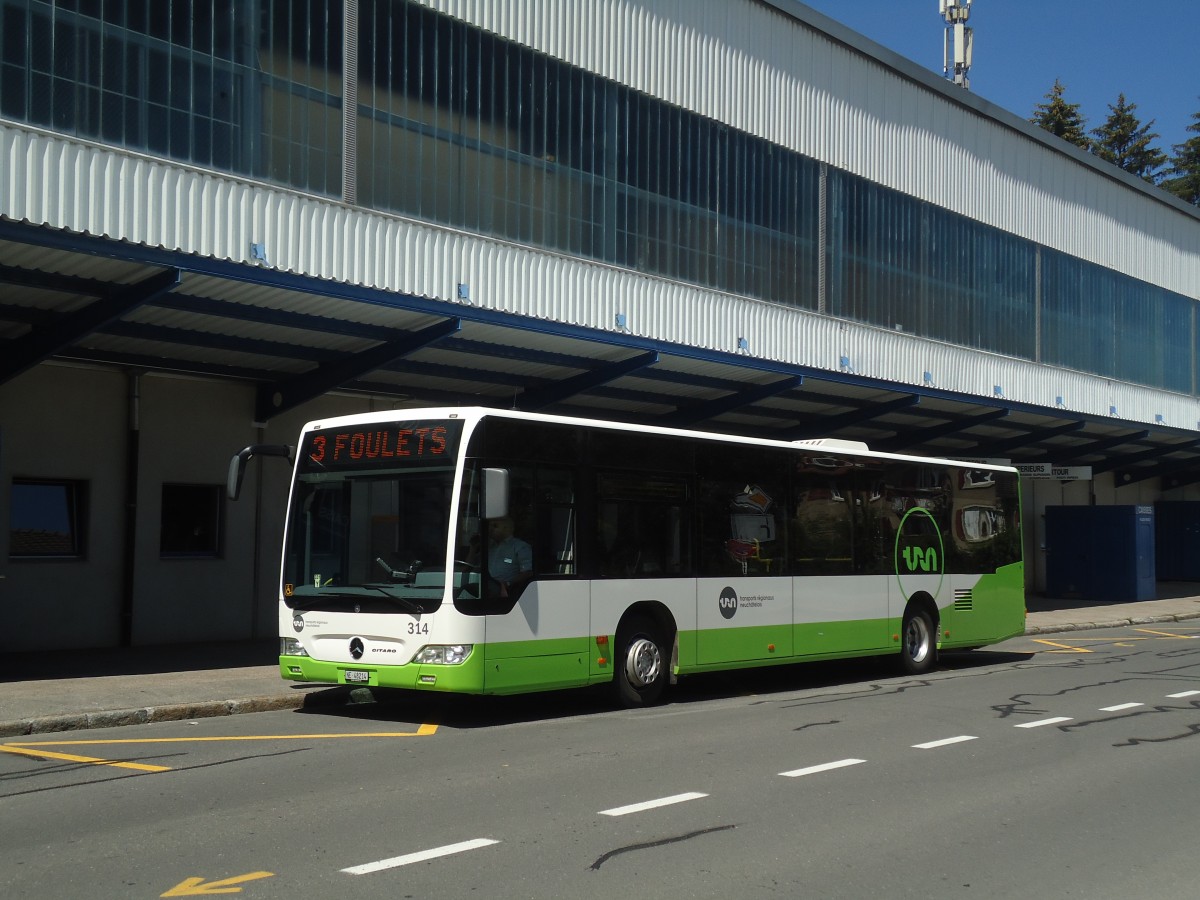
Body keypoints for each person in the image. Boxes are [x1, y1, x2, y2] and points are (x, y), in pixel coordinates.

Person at [486, 516, 533, 597]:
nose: (490, 529)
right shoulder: (489, 547)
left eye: (495, 526)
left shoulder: (520, 547)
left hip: (509, 592)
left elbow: (527, 572)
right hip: (486, 588)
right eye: (489, 526)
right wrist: (473, 549)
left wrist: (508, 584)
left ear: (506, 528)